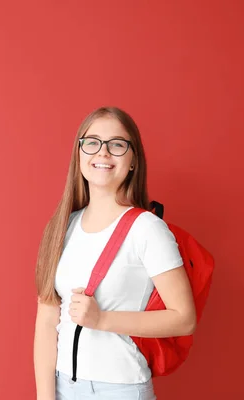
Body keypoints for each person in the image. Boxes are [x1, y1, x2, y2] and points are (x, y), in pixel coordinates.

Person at [33, 107, 196, 400]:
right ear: (79, 154)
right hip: (61, 388)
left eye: (117, 145)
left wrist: (102, 319)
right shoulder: (62, 227)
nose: (103, 153)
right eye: (92, 142)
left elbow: (184, 318)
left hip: (119, 389)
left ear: (133, 161)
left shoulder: (148, 229)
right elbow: (47, 320)